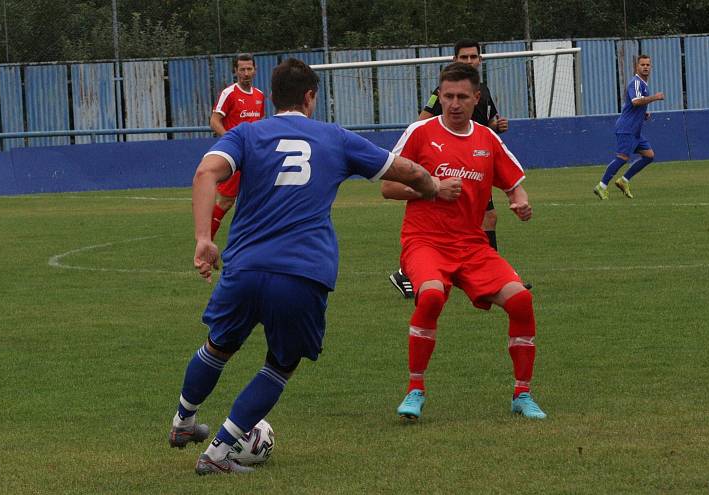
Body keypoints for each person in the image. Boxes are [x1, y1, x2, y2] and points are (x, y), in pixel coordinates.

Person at [168, 58, 439, 475]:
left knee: (219, 344)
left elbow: (206, 170)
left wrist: (204, 238)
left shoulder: (247, 133)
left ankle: (184, 422)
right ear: (311, 96)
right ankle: (219, 452)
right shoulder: (335, 137)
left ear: (272, 97)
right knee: (281, 363)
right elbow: (408, 171)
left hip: (243, 267)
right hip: (301, 271)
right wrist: (434, 187)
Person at [381, 62, 547, 422]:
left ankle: (523, 394)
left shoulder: (488, 140)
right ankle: (415, 389)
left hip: (472, 246)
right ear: (439, 95)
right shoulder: (420, 133)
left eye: (461, 97)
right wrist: (431, 189)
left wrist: (519, 200)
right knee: (431, 295)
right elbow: (387, 186)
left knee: (521, 300)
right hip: (424, 241)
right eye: (447, 96)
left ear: (476, 98)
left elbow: (513, 181)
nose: (453, 103)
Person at [390, 39, 508, 299]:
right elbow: (422, 120)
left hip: (475, 162)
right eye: (463, 58)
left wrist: (498, 125)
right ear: (455, 60)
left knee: (488, 216)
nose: (469, 62)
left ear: (480, 60)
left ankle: (489, 274)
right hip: (448, 162)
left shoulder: (483, 91)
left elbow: (489, 122)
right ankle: (408, 271)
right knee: (458, 220)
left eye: (473, 57)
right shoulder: (440, 91)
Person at [209, 53, 266, 239]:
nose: (246, 73)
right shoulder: (229, 93)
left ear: (255, 70)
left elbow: (261, 124)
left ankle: (253, 239)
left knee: (258, 200)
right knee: (225, 201)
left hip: (254, 156)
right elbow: (215, 120)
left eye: (249, 69)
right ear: (235, 71)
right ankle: (206, 239)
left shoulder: (259, 96)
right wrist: (230, 140)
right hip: (236, 157)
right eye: (242, 69)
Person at [593, 54, 664, 200]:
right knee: (623, 158)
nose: (645, 67)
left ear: (651, 67)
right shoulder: (636, 82)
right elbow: (636, 101)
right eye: (642, 65)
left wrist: (644, 114)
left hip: (635, 130)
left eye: (647, 65)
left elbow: (636, 105)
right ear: (636, 67)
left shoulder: (643, 84)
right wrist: (655, 97)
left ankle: (623, 181)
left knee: (649, 155)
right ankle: (602, 185)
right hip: (627, 128)